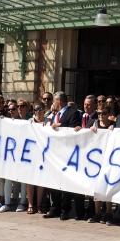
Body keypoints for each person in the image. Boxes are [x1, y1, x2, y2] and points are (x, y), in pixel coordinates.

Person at [43, 91, 81, 219]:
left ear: (59, 101)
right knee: (54, 182)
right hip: (55, 153)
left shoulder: (73, 112)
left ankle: (65, 210)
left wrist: (61, 126)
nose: (53, 103)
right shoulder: (55, 114)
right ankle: (55, 208)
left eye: (54, 100)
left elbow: (73, 130)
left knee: (65, 183)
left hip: (67, 154)